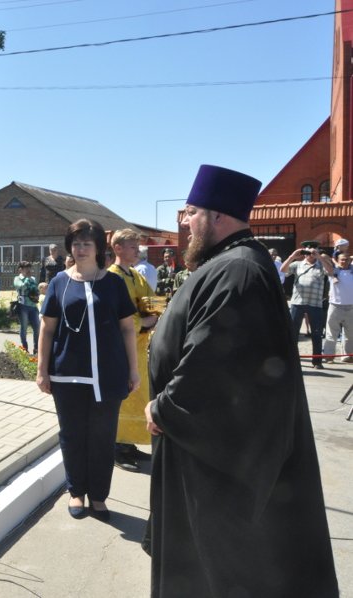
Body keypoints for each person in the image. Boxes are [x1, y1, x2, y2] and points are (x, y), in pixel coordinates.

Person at [145, 164, 337, 597]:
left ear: (217, 216)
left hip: (215, 469)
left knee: (215, 575)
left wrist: (164, 407)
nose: (184, 222)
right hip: (201, 457)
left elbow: (217, 364)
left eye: (191, 212)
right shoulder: (231, 263)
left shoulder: (238, 271)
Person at [36, 219, 139, 521]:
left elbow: (128, 330)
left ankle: (98, 496)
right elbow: (46, 329)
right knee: (72, 435)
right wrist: (42, 370)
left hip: (107, 375)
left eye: (86, 244)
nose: (80, 249)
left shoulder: (114, 283)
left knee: (103, 437)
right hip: (67, 374)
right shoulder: (58, 283)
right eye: (76, 243)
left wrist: (134, 370)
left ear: (98, 249)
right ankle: (76, 492)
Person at [107, 229, 158, 471]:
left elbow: (152, 301)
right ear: (117, 248)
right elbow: (111, 316)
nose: (138, 251)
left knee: (137, 395)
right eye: (132, 247)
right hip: (118, 349)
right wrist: (143, 321)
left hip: (138, 347)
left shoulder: (136, 276)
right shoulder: (110, 278)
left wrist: (157, 313)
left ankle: (128, 444)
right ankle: (116, 446)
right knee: (122, 397)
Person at [281, 241, 335, 368]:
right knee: (293, 333)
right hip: (297, 302)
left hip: (315, 303)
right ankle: (291, 360)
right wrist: (292, 256)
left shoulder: (321, 265)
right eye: (307, 251)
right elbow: (283, 270)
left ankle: (317, 362)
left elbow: (331, 271)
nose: (309, 254)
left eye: (313, 251)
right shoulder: (297, 264)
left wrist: (320, 257)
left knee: (316, 333)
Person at [324, 250, 353, 363]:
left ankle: (348, 356)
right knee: (331, 333)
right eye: (342, 259)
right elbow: (324, 257)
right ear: (338, 260)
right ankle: (328, 356)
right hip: (335, 306)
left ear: (350, 260)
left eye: (347, 259)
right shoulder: (333, 271)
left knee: (350, 335)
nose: (344, 261)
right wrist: (332, 260)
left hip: (351, 307)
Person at [13, 261, 40, 354]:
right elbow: (22, 287)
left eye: (29, 267)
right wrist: (27, 278)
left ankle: (36, 348)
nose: (28, 270)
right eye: (26, 268)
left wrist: (37, 294)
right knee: (23, 327)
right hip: (23, 306)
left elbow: (36, 289)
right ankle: (24, 347)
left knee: (37, 327)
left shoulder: (33, 278)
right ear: (20, 269)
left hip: (33, 306)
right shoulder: (17, 278)